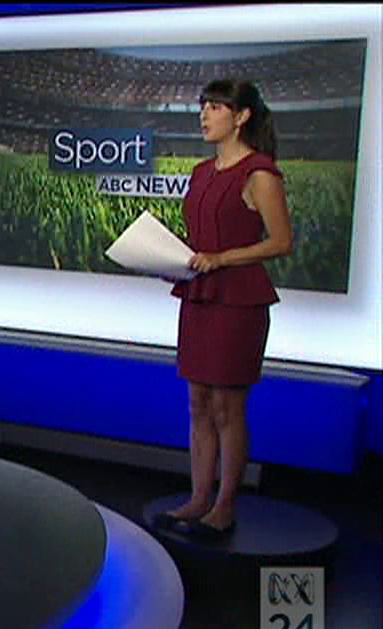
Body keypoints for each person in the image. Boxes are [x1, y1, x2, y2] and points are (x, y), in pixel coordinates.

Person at [154, 79, 293, 539]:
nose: (204, 115)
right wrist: (174, 262)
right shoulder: (200, 172)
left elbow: (281, 241)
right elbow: (199, 239)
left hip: (238, 300)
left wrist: (222, 258)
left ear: (242, 116)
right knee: (197, 402)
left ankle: (225, 506)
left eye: (215, 107)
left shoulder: (259, 174)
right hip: (199, 295)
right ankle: (198, 498)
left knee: (226, 407)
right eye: (204, 106)